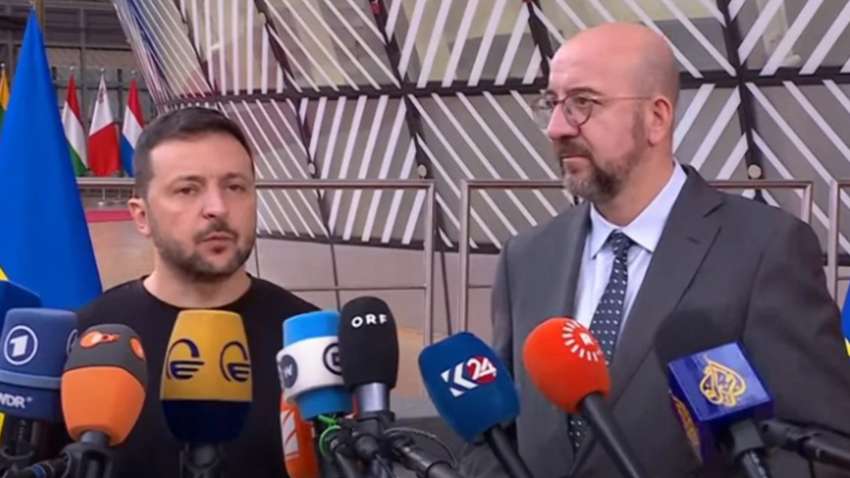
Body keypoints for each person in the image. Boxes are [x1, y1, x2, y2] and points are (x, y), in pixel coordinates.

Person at [463, 23, 850, 477]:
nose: (556, 127)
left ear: (657, 118)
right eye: (551, 103)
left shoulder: (765, 248)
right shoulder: (526, 257)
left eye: (582, 103)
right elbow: (494, 435)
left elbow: (821, 448)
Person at [75, 107, 316, 477]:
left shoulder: (310, 340)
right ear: (141, 216)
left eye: (235, 187)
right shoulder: (88, 342)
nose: (217, 209)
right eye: (188, 189)